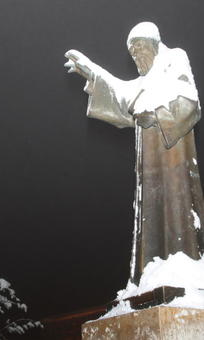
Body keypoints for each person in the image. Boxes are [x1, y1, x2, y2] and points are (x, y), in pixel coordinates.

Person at [65, 22, 204, 285]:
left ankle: (183, 267)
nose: (137, 55)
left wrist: (157, 115)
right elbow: (124, 94)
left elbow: (189, 101)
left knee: (176, 203)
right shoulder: (145, 81)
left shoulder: (175, 59)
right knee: (150, 209)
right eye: (132, 52)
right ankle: (151, 274)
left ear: (153, 45)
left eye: (140, 48)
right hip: (148, 161)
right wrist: (92, 73)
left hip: (173, 154)